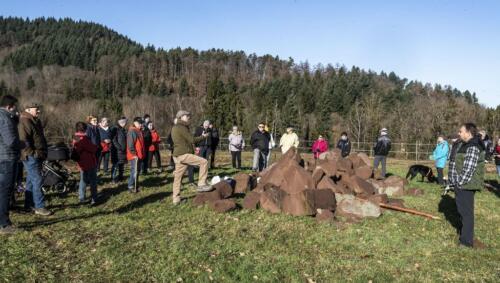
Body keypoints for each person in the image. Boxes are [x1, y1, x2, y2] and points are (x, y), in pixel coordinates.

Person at [448, 123, 485, 248]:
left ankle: (466, 241)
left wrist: (459, 183)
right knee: (463, 211)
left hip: (466, 184)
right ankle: (464, 234)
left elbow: (468, 169)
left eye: (461, 131)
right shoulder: (465, 144)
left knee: (466, 213)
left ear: (468, 133)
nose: (459, 133)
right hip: (463, 184)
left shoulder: (473, 146)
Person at [171, 110, 213, 204]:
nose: (189, 117)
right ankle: (202, 184)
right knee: (204, 162)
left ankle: (176, 198)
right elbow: (192, 139)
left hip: (177, 155)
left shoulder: (175, 127)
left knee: (177, 177)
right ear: (181, 117)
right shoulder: (182, 127)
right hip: (183, 154)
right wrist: (203, 136)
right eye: (187, 116)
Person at [18, 103, 51, 216]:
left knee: (31, 181)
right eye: (36, 109)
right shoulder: (24, 121)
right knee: (38, 180)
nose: (38, 111)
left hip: (37, 155)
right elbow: (23, 140)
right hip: (30, 156)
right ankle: (40, 207)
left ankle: (28, 205)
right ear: (28, 110)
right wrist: (34, 153)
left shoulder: (35, 120)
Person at [0, 95, 25, 234]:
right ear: (10, 106)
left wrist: (15, 120)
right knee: (5, 191)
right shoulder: (4, 118)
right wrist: (23, 144)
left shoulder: (5, 117)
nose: (16, 110)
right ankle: (4, 224)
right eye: (15, 107)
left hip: (2, 157)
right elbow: (11, 141)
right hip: (7, 158)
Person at [73, 122, 98, 205]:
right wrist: (96, 146)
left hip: (81, 163)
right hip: (89, 162)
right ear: (85, 129)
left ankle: (81, 197)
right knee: (93, 181)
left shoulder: (75, 138)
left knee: (83, 180)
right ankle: (94, 198)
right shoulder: (84, 139)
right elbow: (93, 149)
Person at [127, 117, 145, 193]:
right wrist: (134, 154)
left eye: (141, 123)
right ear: (135, 123)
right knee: (134, 171)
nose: (141, 125)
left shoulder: (139, 131)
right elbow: (130, 144)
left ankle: (136, 185)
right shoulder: (132, 131)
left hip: (139, 154)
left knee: (137, 171)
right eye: (139, 123)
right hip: (134, 155)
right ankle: (131, 186)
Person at [110, 117, 127, 183]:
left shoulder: (123, 129)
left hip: (123, 151)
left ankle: (120, 177)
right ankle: (113, 178)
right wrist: (119, 147)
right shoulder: (115, 129)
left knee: (121, 165)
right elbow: (114, 140)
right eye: (122, 122)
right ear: (119, 122)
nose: (124, 123)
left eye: (125, 122)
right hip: (116, 151)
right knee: (115, 165)